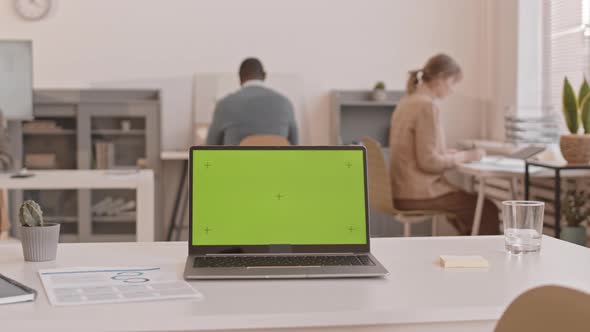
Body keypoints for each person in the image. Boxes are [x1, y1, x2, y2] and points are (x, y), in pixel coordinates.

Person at [389, 54, 500, 235]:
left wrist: (446, 153)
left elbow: (418, 152)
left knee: (468, 209)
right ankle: (481, 258)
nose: (453, 89)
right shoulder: (426, 107)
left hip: (402, 190)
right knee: (487, 210)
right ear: (441, 78)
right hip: (419, 193)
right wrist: (466, 156)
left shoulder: (406, 102)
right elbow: (429, 162)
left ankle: (467, 252)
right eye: (453, 82)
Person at [206, 58, 299, 145]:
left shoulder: (225, 104)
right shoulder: (285, 103)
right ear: (264, 75)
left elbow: (210, 147)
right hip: (278, 162)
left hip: (237, 162)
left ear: (240, 77)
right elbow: (295, 146)